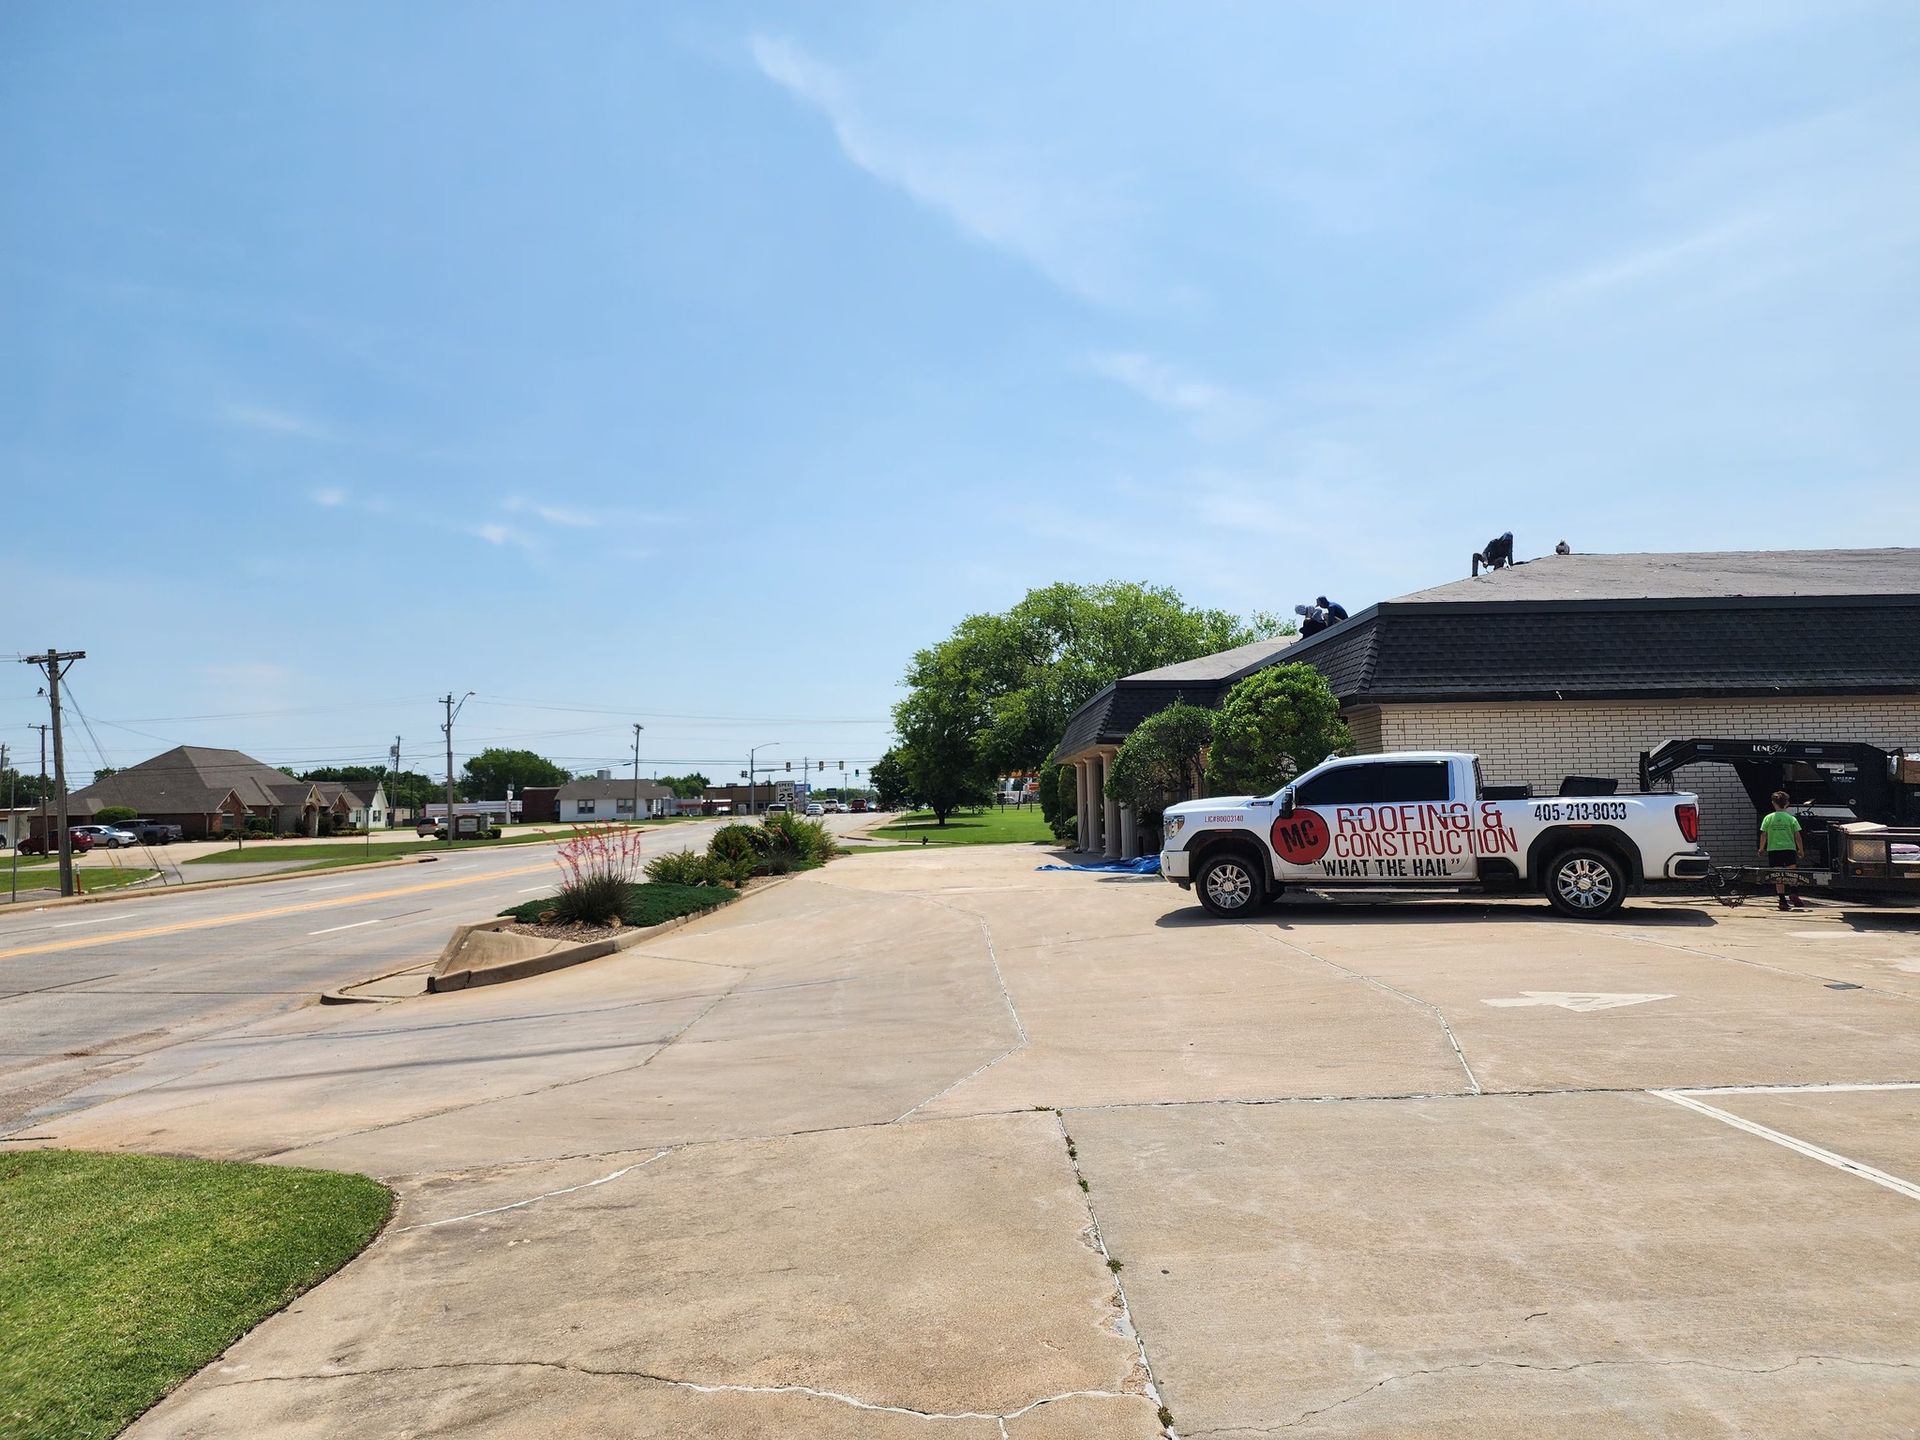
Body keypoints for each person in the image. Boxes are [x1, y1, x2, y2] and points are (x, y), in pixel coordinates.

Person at [1758, 790, 1807, 911]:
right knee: (1792, 871)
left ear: (1773, 803)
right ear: (1787, 804)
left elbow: (1764, 835)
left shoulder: (1768, 818)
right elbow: (1797, 836)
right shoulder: (1791, 819)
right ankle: (1794, 892)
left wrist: (1761, 848)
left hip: (1774, 849)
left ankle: (1782, 900)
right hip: (1789, 849)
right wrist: (1800, 850)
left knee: (1777, 875)